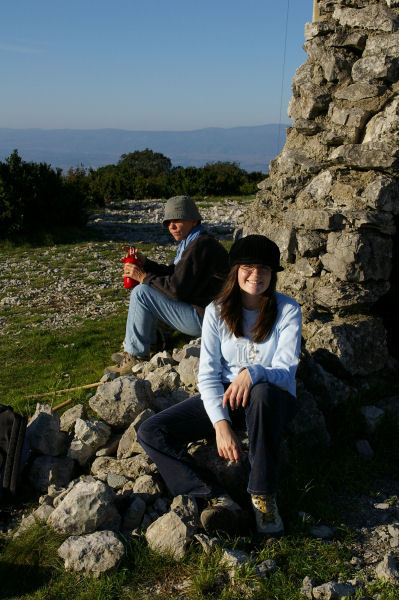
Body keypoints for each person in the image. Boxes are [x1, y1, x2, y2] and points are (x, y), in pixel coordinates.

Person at [137, 234, 302, 536]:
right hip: (228, 397)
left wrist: (252, 373)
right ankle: (214, 496)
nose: (256, 276)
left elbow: (286, 370)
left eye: (265, 269)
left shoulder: (287, 309)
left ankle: (263, 496)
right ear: (235, 270)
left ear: (273, 274)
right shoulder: (216, 311)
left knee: (263, 392)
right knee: (150, 431)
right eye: (248, 267)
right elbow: (208, 374)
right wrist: (220, 424)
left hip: (272, 399)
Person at [106, 195, 229, 374]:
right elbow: (173, 274)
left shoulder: (199, 246)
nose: (171, 226)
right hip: (204, 313)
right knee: (148, 287)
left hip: (205, 319)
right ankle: (151, 342)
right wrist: (146, 263)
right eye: (168, 222)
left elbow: (176, 289)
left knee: (142, 292)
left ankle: (135, 355)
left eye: (177, 220)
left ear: (194, 220)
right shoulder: (194, 241)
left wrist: (143, 276)